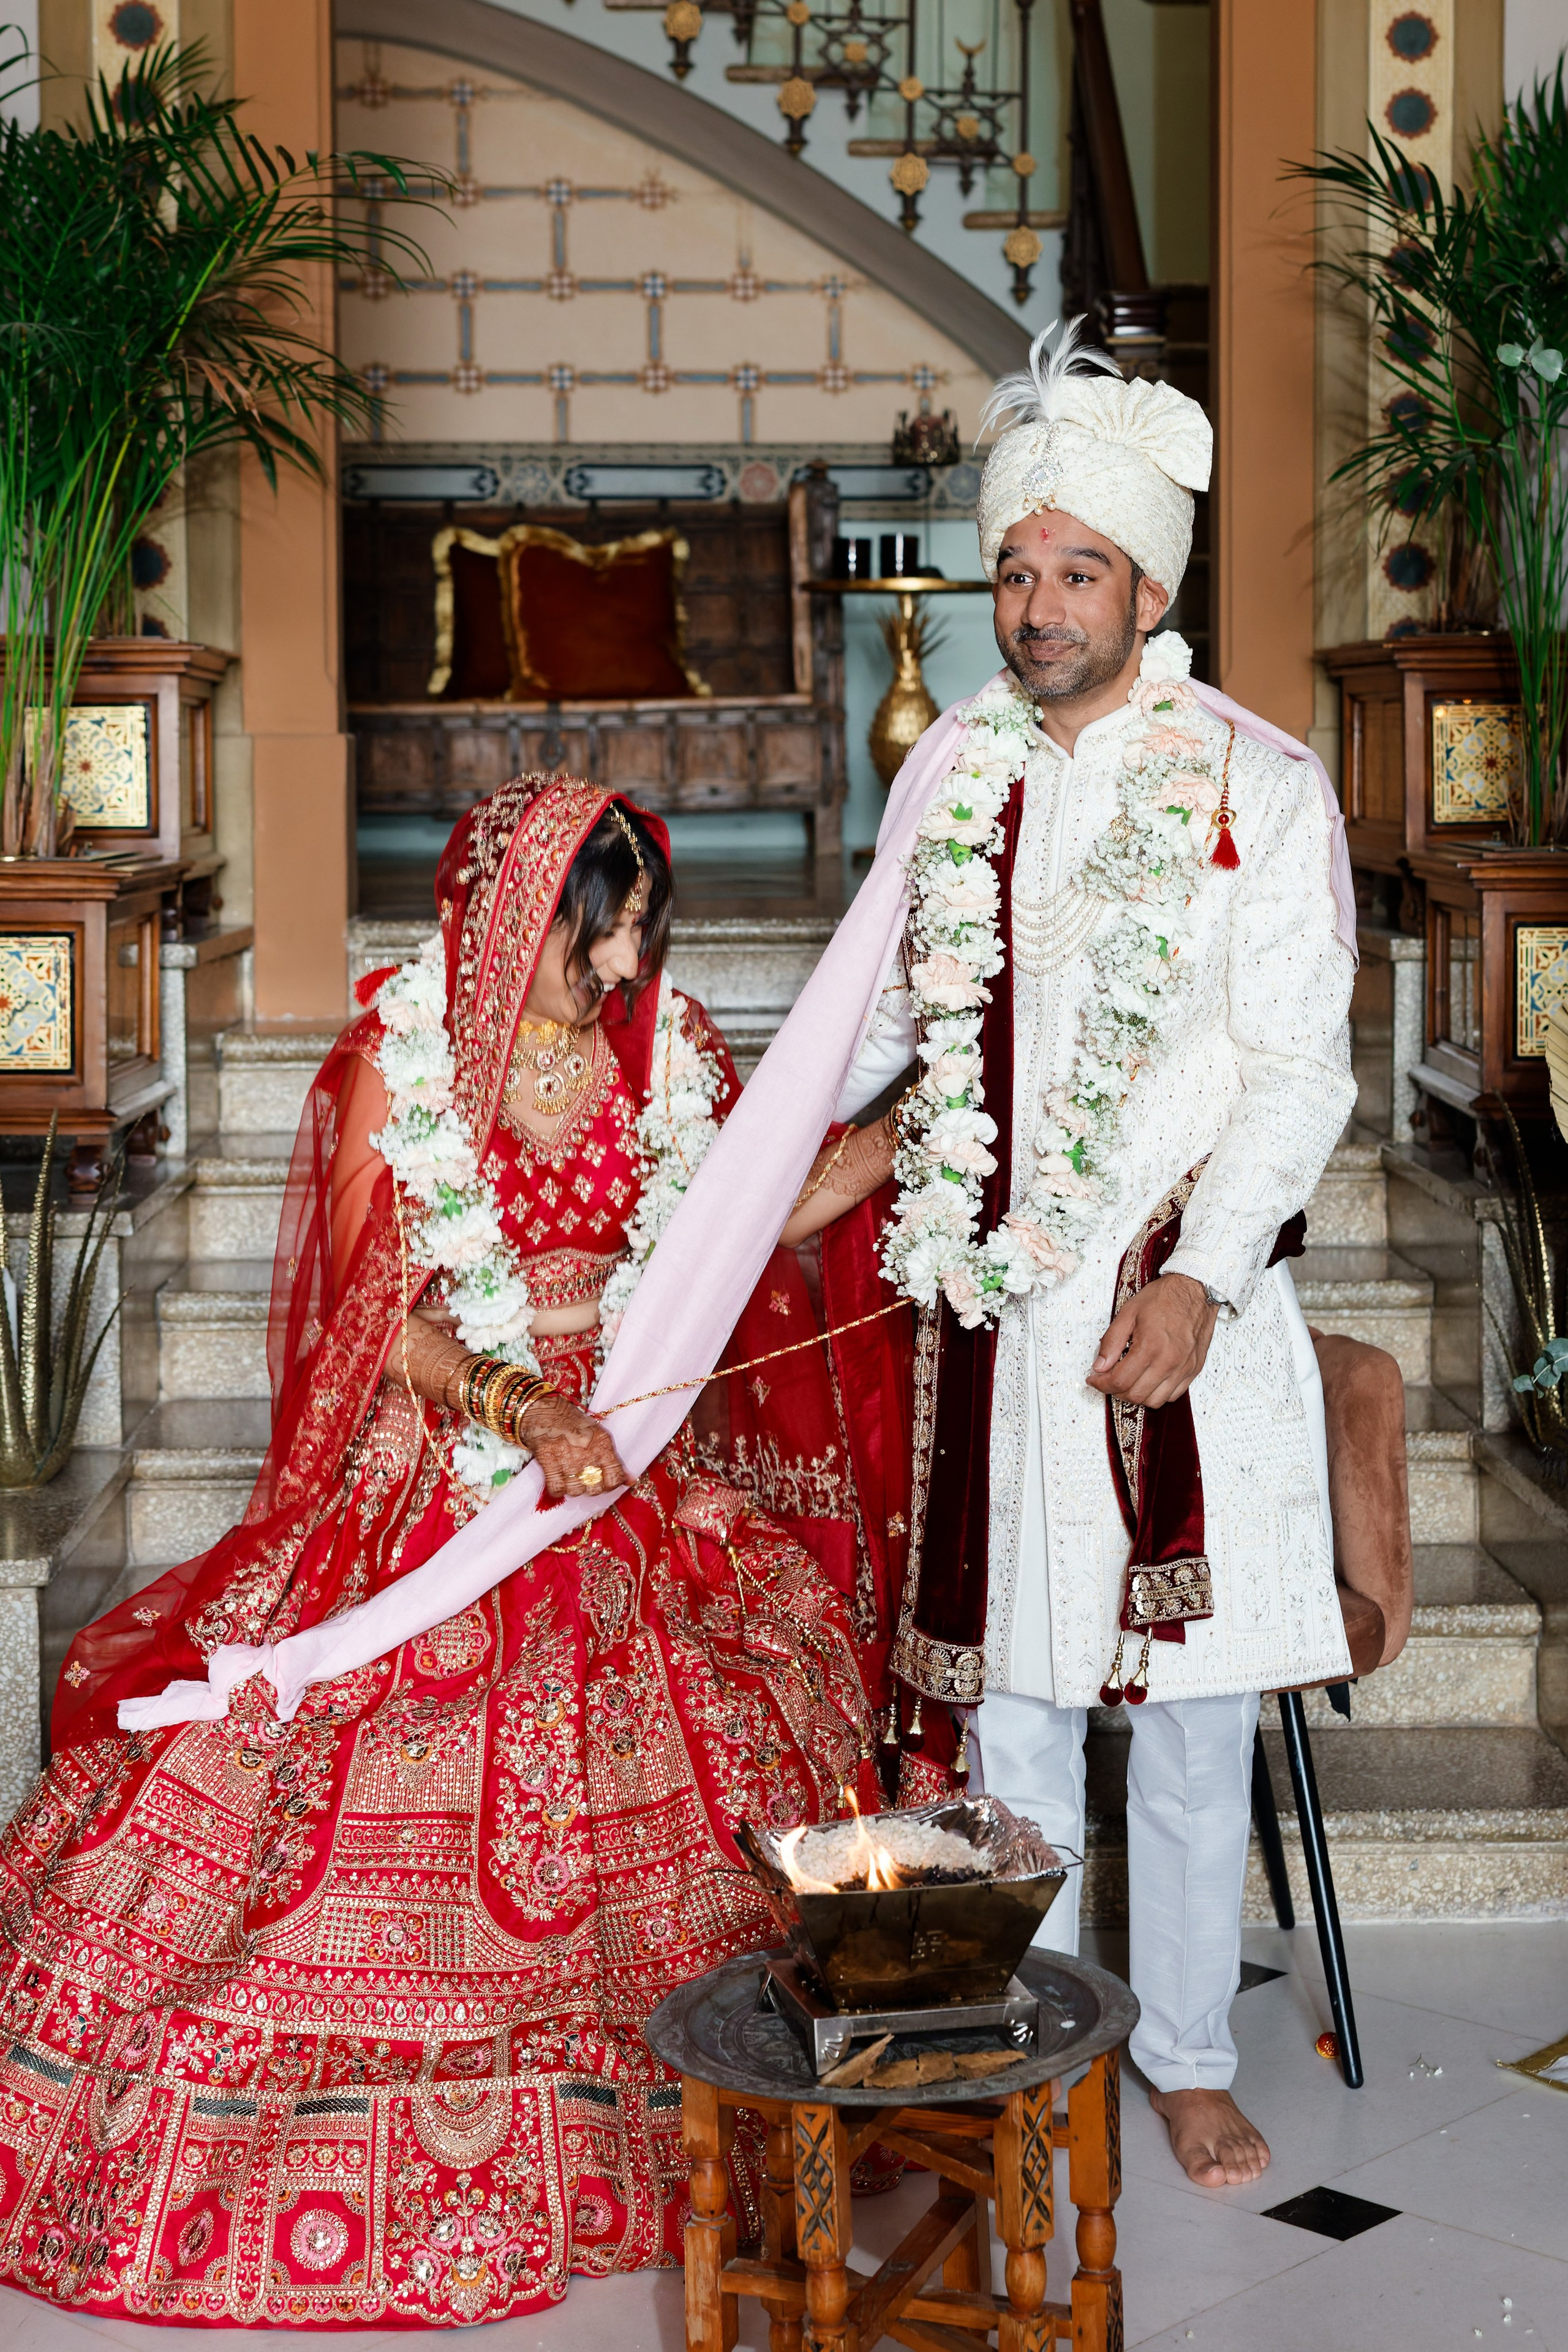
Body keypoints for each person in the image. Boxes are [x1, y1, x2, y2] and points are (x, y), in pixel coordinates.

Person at [0, 778, 874, 2327]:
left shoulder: (665, 1053)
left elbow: (736, 1224)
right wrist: (519, 1405)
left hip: (625, 1453)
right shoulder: (391, 1071)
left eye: (634, 943)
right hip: (455, 1447)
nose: (615, 976)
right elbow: (367, 1323)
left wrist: (908, 1132)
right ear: (507, 922)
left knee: (717, 1674)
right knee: (385, 1704)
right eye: (590, 945)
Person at [828, 322, 1358, 2190]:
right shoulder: (953, 774)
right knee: (1024, 1719)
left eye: (1077, 573)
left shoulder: (1259, 786)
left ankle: (1194, 2057)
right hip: (1000, 1318)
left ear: (1150, 584)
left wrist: (1204, 1277)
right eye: (1017, 573)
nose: (1039, 606)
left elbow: (1302, 1070)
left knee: (1195, 1725)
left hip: (1185, 1322)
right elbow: (887, 1017)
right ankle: (1045, 2052)